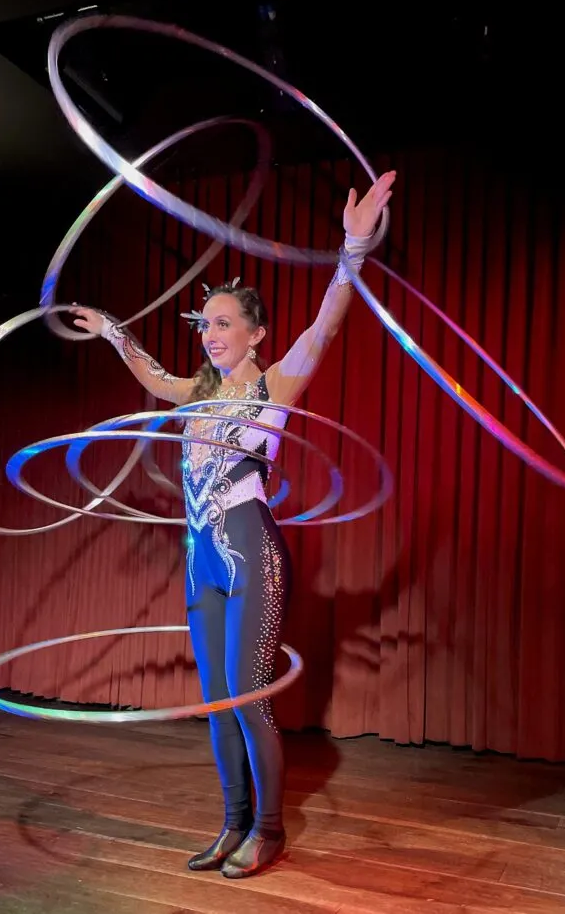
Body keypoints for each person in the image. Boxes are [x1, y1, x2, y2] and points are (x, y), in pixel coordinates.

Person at [71, 170, 395, 877]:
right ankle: (232, 824)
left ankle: (270, 830)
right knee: (218, 703)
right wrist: (113, 329)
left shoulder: (274, 384)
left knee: (249, 694)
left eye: (223, 323)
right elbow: (153, 375)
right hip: (202, 564)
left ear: (255, 332)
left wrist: (351, 252)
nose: (210, 335)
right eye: (205, 324)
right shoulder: (196, 394)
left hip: (253, 553)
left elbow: (327, 323)